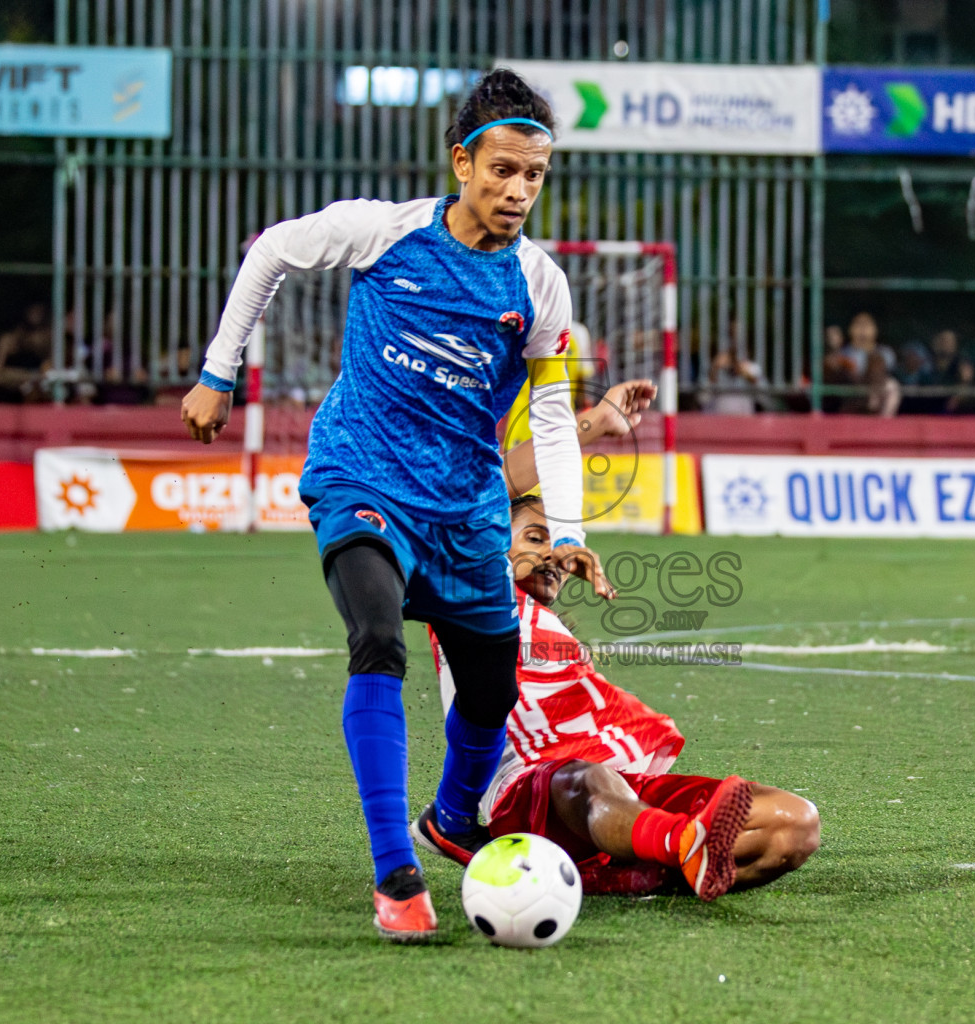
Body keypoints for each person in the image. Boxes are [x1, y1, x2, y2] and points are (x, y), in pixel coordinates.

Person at [179, 68, 613, 943]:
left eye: (535, 176)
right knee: (376, 638)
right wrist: (217, 372)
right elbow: (269, 250)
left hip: (465, 513)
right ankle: (395, 873)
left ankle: (450, 825)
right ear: (463, 162)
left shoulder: (540, 286)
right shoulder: (383, 232)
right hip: (362, 480)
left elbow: (557, 416)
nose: (518, 190)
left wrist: (565, 531)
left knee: (490, 690)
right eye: (503, 170)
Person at [422, 421, 820, 900]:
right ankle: (677, 844)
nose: (551, 554)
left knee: (794, 824)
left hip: (621, 793)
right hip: (531, 792)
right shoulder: (471, 597)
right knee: (589, 777)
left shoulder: (555, 635)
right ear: (487, 540)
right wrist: (591, 427)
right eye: (533, 537)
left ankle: (637, 872)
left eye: (559, 544)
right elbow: (482, 488)